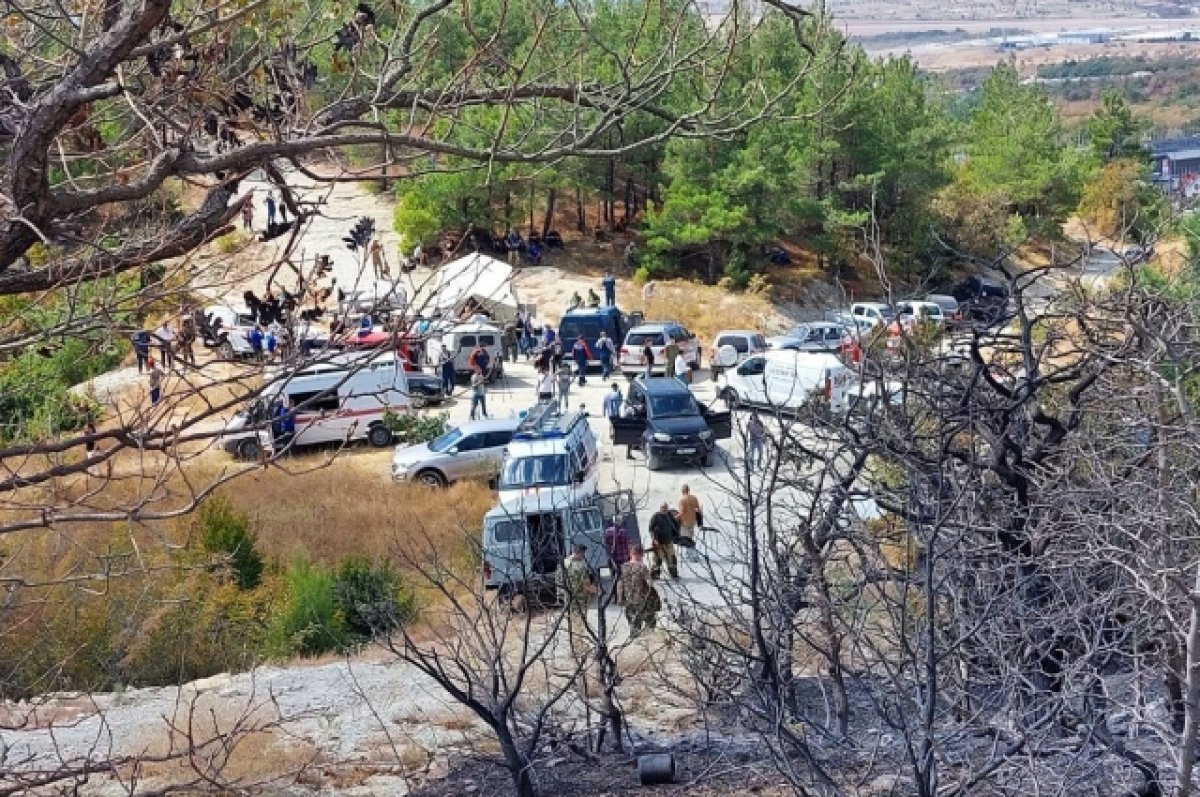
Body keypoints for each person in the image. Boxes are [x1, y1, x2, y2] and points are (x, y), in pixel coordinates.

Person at [560, 543, 596, 657]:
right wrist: (596, 591)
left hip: (568, 598)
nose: (584, 556)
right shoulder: (580, 566)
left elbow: (559, 580)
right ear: (580, 553)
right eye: (583, 553)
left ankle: (575, 646)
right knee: (579, 624)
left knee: (572, 623)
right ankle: (577, 649)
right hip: (579, 599)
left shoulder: (565, 562)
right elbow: (586, 585)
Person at [618, 546, 659, 637]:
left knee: (634, 625)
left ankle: (634, 642)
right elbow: (650, 584)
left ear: (630, 554)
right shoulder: (642, 567)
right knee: (651, 623)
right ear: (641, 555)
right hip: (642, 601)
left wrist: (620, 599)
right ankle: (650, 641)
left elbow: (620, 585)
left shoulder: (623, 567)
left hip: (629, 601)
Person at [649, 503, 679, 580]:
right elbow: (651, 529)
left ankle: (674, 574)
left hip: (669, 542)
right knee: (657, 560)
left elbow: (675, 525)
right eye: (663, 508)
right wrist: (654, 539)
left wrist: (675, 536)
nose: (664, 509)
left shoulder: (669, 515)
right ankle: (655, 575)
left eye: (666, 508)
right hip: (658, 543)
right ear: (660, 508)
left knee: (672, 559)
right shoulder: (656, 517)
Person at [678, 485, 702, 561]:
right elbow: (698, 509)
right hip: (692, 521)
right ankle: (689, 554)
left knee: (685, 539)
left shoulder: (682, 500)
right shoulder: (694, 498)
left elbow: (682, 512)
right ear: (688, 490)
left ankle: (692, 555)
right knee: (690, 538)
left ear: (683, 491)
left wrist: (675, 517)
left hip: (684, 522)